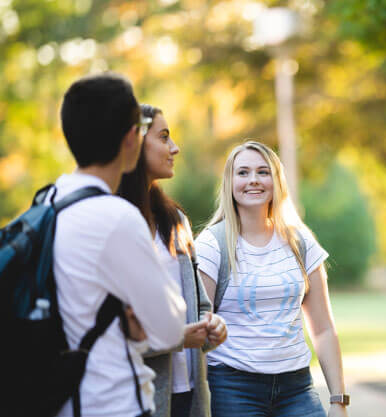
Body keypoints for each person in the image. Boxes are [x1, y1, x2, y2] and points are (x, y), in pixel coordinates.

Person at [54, 73, 187, 417]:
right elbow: (171, 326)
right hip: (112, 403)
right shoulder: (118, 217)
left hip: (60, 400)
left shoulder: (49, 204)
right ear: (131, 138)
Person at [195, 140, 349, 417]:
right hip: (232, 388)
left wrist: (338, 400)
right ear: (229, 182)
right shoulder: (211, 245)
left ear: (276, 180)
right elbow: (198, 330)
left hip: (297, 388)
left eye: (263, 172)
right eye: (242, 172)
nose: (253, 180)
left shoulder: (299, 241)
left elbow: (324, 328)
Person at [118, 104, 228, 417]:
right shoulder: (113, 223)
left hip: (189, 396)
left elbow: (201, 306)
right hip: (139, 399)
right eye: (164, 138)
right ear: (135, 142)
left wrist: (213, 326)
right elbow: (109, 330)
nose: (174, 148)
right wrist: (176, 338)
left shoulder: (176, 220)